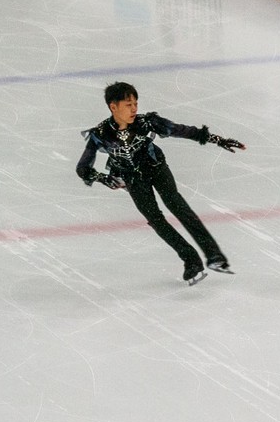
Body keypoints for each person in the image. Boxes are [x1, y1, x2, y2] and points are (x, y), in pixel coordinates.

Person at [75, 82, 245, 286]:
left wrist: (217, 139)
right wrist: (103, 178)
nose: (134, 109)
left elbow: (180, 130)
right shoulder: (101, 134)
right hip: (133, 180)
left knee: (178, 206)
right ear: (113, 107)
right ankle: (191, 260)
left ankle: (214, 256)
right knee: (156, 220)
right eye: (128, 104)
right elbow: (82, 168)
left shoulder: (146, 123)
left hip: (156, 168)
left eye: (135, 103)